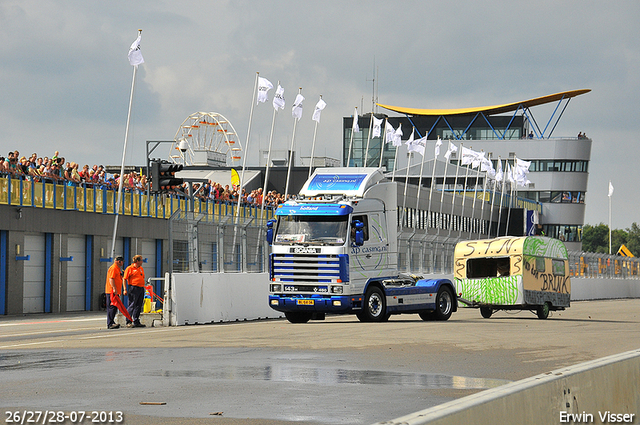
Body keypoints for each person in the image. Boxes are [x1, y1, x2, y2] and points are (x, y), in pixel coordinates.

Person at [123, 254, 146, 328]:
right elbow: (124, 278)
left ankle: (136, 321)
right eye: (141, 260)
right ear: (137, 261)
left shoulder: (140, 268)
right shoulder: (130, 268)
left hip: (141, 288)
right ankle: (128, 321)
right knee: (132, 304)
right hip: (133, 288)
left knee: (139, 305)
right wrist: (125, 289)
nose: (142, 261)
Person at [105, 256, 126, 330]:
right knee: (111, 307)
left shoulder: (118, 269)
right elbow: (111, 278)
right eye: (122, 261)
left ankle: (112, 322)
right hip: (111, 291)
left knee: (114, 308)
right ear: (118, 261)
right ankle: (110, 323)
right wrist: (114, 288)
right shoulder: (113, 268)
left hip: (115, 292)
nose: (123, 263)